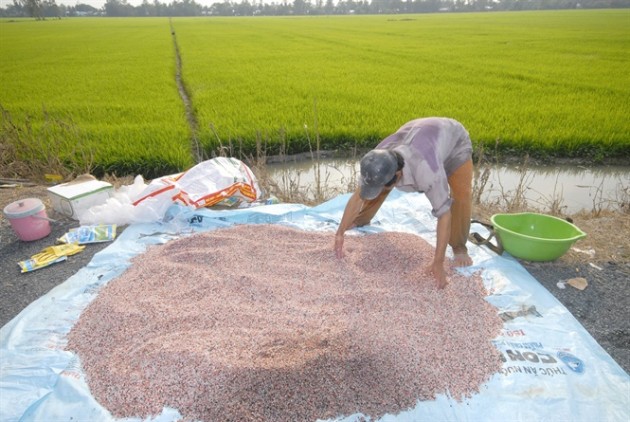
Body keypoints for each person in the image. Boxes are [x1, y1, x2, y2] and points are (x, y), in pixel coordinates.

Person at [334, 117, 474, 289]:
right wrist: (340, 231)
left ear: (398, 176)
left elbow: (444, 214)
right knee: (379, 186)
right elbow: (358, 196)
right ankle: (362, 219)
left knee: (462, 193)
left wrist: (438, 262)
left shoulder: (428, 171)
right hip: (418, 133)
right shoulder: (377, 159)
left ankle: (459, 246)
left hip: (453, 141)